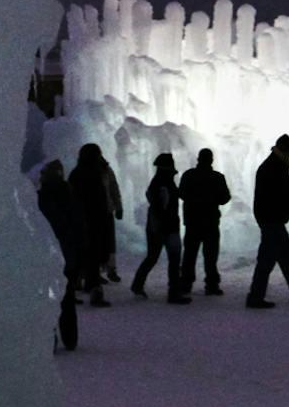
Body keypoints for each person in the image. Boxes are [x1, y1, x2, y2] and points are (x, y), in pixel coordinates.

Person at [245, 134, 289, 308]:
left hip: (272, 220)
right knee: (270, 259)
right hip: (272, 221)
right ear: (284, 149)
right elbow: (279, 197)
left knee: (283, 256)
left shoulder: (276, 166)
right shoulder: (273, 168)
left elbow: (284, 196)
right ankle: (257, 297)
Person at [35, 158, 87, 349]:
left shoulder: (39, 199)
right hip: (68, 254)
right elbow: (79, 227)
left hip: (47, 254)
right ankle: (70, 339)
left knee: (48, 298)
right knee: (67, 298)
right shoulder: (70, 197)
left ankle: (51, 338)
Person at [130, 152, 190, 301]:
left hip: (157, 227)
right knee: (173, 259)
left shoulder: (158, 182)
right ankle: (174, 292)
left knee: (152, 257)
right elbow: (162, 207)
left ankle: (138, 284)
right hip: (166, 227)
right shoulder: (165, 183)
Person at [68, 142, 123, 305]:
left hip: (84, 220)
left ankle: (80, 284)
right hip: (95, 220)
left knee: (85, 254)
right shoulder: (95, 173)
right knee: (93, 254)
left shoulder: (77, 173)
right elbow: (101, 196)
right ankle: (93, 288)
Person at [178, 147, 233, 296]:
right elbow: (225, 198)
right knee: (210, 256)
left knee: (190, 254)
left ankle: (186, 283)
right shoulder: (217, 177)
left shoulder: (189, 175)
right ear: (211, 160)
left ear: (198, 159)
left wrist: (194, 200)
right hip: (210, 221)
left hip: (192, 221)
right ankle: (212, 285)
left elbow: (181, 193)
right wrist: (211, 198)